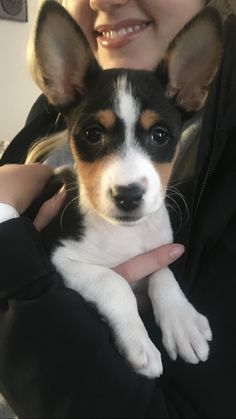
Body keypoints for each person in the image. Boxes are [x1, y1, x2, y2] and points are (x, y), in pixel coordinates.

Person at [0, 0, 236, 417]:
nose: (127, 179)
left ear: (194, 86)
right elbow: (65, 261)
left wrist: (164, 288)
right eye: (93, 132)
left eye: (159, 134)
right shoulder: (48, 119)